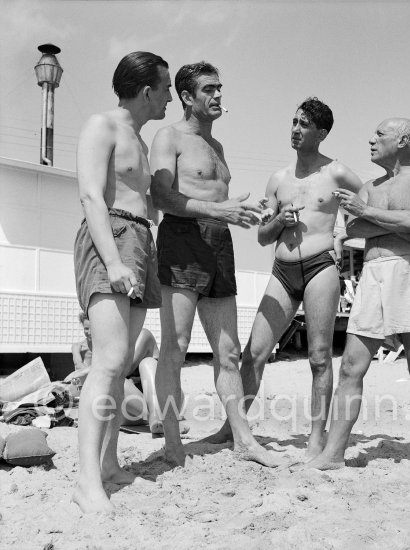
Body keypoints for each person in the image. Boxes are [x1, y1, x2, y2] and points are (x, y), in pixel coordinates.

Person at [207, 97, 364, 459]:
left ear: (321, 133)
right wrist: (279, 221)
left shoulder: (337, 172)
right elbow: (263, 236)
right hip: (282, 270)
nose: (295, 129)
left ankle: (315, 438)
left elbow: (369, 200)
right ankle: (233, 428)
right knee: (254, 354)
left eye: (304, 124)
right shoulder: (277, 179)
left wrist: (344, 233)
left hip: (320, 267)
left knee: (319, 358)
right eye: (293, 121)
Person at [298, 118, 410, 484]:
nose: (371, 139)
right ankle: (333, 454)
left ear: (405, 141)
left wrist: (378, 217)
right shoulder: (368, 186)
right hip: (374, 272)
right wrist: (400, 225)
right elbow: (354, 230)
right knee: (350, 367)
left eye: (380, 134)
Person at [150, 61, 278, 467]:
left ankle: (242, 439)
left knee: (227, 351)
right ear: (187, 96)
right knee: (176, 347)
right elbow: (162, 197)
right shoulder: (168, 136)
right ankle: (172, 444)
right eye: (209, 89)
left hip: (218, 244)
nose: (218, 95)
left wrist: (237, 208)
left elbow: (215, 202)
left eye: (220, 88)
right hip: (182, 239)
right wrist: (220, 210)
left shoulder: (218, 148)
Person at [72, 51, 172, 513]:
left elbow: (150, 201)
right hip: (109, 237)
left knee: (122, 362)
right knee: (108, 361)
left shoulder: (143, 142)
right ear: (147, 89)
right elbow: (91, 195)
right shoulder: (103, 125)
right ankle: (86, 481)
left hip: (140, 240)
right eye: (167, 88)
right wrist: (112, 262)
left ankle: (109, 463)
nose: (170, 96)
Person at [70, 312, 187, 435]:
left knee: (146, 363)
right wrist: (77, 360)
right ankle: (164, 422)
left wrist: (88, 370)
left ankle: (163, 419)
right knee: (115, 383)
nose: (89, 333)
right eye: (86, 329)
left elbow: (125, 367)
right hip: (132, 410)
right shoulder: (90, 347)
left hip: (166, 401)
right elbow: (79, 383)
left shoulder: (143, 335)